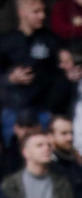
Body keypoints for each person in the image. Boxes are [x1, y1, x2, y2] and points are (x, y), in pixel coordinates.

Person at [0, 0, 61, 141]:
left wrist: (53, 108)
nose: (42, 16)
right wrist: (9, 78)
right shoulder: (6, 42)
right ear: (21, 13)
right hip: (13, 112)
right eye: (36, 12)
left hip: (43, 111)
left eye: (44, 11)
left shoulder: (50, 41)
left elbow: (60, 76)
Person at [46, 115, 82, 198]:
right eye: (64, 133)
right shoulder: (46, 165)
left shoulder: (76, 161)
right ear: (50, 137)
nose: (70, 138)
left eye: (71, 133)